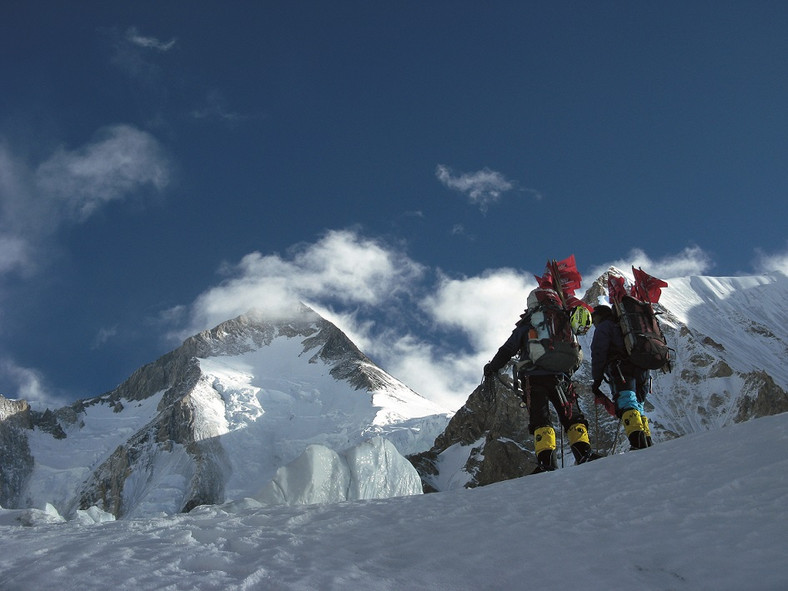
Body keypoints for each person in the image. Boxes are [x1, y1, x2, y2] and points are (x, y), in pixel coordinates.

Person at [484, 303, 600, 473]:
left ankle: (546, 463)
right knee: (573, 416)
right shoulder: (564, 321)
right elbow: (577, 354)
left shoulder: (529, 323)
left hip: (534, 377)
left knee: (541, 419)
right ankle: (584, 453)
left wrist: (492, 367)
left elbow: (508, 349)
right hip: (561, 377)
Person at [590, 305, 652, 449]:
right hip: (642, 368)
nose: (593, 322)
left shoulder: (605, 327)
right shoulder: (627, 326)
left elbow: (598, 353)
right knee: (639, 404)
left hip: (621, 369)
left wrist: (597, 379)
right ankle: (647, 441)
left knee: (627, 401)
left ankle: (638, 443)